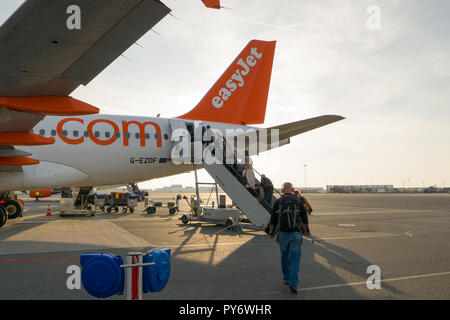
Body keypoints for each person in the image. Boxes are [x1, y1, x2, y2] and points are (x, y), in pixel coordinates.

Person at [268, 182, 308, 294]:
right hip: (296, 233)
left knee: (284, 256)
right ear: (293, 189)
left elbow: (273, 220)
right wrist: (305, 230)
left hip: (283, 234)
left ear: (282, 190)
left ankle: (286, 278)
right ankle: (293, 283)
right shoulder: (299, 201)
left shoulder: (278, 202)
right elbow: (304, 218)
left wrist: (271, 233)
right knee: (295, 258)